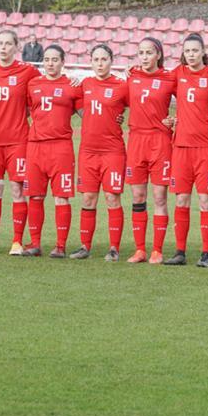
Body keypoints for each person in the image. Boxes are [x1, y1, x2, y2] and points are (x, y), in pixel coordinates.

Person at [0, 30, 42, 255]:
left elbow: (47, 89)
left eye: (8, 44)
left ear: (16, 47)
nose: (4, 47)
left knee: (17, 189)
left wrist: (71, 78)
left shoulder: (28, 71)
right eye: (0, 43)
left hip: (18, 140)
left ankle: (16, 241)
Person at [164, 33, 208, 267]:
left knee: (205, 200)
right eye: (187, 51)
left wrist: (201, 118)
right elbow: (155, 85)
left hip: (205, 147)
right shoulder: (177, 73)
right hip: (180, 146)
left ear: (203, 52)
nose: (191, 55)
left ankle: (206, 252)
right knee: (181, 198)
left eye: (195, 51)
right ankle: (180, 251)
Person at [21, 45, 83, 258]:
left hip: (61, 147)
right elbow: (28, 110)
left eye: (55, 59)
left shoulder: (72, 85)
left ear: (63, 61)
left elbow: (88, 113)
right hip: (35, 146)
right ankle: (35, 243)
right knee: (35, 196)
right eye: (47, 59)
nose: (50, 63)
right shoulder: (33, 84)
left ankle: (60, 246)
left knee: (61, 198)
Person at [71, 44, 129, 261]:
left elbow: (139, 104)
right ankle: (85, 246)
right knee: (88, 198)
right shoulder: (84, 84)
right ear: (91, 62)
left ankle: (114, 248)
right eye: (96, 59)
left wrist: (119, 115)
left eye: (104, 59)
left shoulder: (121, 86)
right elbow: (71, 102)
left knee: (112, 197)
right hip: (88, 151)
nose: (100, 63)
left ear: (111, 61)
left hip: (112, 151)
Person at [124, 38, 176, 264]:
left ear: (158, 55)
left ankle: (157, 250)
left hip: (159, 141)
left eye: (148, 53)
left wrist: (177, 119)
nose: (144, 57)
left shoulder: (169, 78)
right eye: (141, 53)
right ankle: (139, 249)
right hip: (136, 140)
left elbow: (190, 99)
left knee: (159, 197)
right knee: (138, 196)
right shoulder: (131, 76)